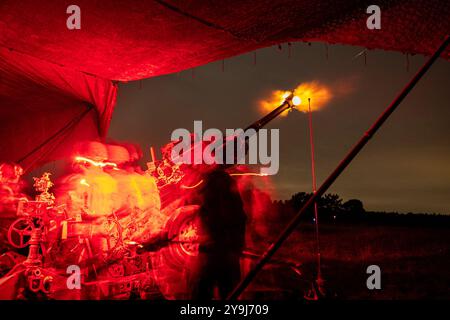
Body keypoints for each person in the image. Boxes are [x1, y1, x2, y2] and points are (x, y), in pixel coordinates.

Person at [189, 167, 247, 300]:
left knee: (201, 291)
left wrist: (207, 240)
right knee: (228, 291)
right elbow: (240, 217)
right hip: (226, 251)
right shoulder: (226, 182)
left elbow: (216, 216)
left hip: (214, 253)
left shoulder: (213, 183)